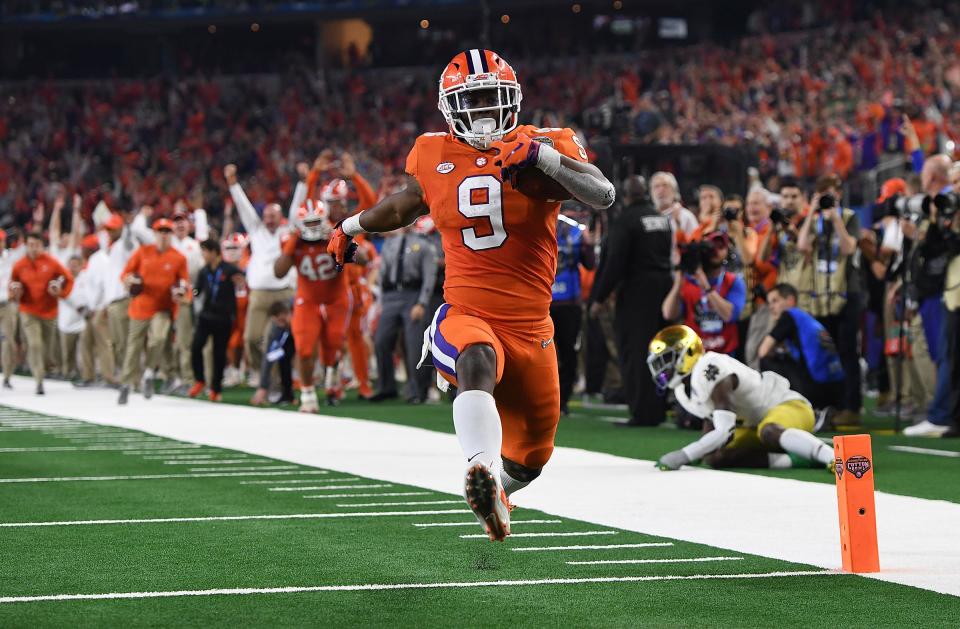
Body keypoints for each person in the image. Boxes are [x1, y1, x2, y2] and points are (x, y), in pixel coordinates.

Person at [327, 49, 615, 541]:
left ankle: (497, 492)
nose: (482, 109)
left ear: (512, 100)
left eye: (491, 97)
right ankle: (478, 467)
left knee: (533, 460)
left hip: (532, 326)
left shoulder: (545, 142)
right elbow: (407, 204)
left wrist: (545, 158)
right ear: (450, 106)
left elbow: (602, 193)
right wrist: (351, 224)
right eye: (472, 99)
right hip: (468, 310)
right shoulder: (434, 152)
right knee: (476, 357)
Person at [648, 324, 834, 470]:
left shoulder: (710, 366)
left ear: (687, 353)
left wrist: (685, 454)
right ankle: (794, 461)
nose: (662, 370)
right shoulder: (684, 391)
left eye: (666, 361)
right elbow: (713, 431)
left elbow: (724, 430)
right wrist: (700, 453)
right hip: (756, 424)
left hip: (790, 407)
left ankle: (833, 457)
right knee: (715, 457)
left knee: (768, 431)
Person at [589, 175, 672, 426]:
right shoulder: (660, 218)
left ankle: (642, 412)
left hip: (637, 293)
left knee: (636, 351)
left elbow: (615, 263)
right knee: (660, 350)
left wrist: (599, 297)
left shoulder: (626, 221)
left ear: (624, 195)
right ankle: (658, 408)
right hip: (664, 289)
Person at [274, 196, 352, 411]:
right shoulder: (293, 241)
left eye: (316, 222)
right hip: (307, 300)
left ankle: (332, 368)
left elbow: (363, 258)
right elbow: (279, 272)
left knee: (333, 344)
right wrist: (291, 245)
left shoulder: (336, 234)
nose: (313, 228)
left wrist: (344, 242)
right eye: (307, 223)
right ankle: (307, 393)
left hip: (335, 299)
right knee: (305, 349)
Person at [797, 174, 862, 425]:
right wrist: (812, 211)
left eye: (830, 193)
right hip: (820, 297)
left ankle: (851, 406)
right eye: (822, 193)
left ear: (840, 194)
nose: (827, 198)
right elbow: (802, 245)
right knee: (824, 352)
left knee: (847, 352)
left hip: (846, 293)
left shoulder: (849, 217)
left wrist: (834, 217)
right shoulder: (813, 221)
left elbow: (848, 248)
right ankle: (828, 404)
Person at [224, 164, 296, 386]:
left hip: (284, 292)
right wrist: (233, 183)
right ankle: (260, 372)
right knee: (252, 338)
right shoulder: (256, 231)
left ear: (280, 217)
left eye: (273, 215)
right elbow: (243, 207)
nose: (269, 219)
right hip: (259, 294)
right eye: (266, 215)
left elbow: (296, 209)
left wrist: (303, 183)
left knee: (289, 338)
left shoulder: (288, 231)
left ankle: (285, 376)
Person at [117, 218, 190, 405]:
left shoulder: (179, 258)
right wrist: (128, 281)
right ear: (155, 233)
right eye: (160, 231)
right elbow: (125, 273)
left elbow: (185, 284)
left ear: (171, 235)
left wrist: (183, 294)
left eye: (167, 232)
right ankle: (126, 384)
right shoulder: (142, 252)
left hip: (163, 308)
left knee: (158, 338)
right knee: (133, 346)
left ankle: (149, 373)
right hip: (140, 306)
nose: (164, 235)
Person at [371, 225, 438, 404]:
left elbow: (429, 275)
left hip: (413, 294)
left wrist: (422, 302)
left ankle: (418, 391)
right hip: (391, 295)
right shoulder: (390, 242)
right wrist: (383, 299)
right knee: (381, 340)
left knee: (415, 344)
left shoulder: (424, 243)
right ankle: (386, 387)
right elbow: (383, 273)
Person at [757, 283, 843, 411]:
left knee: (766, 361)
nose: (771, 307)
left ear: (790, 300)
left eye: (775, 301)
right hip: (835, 390)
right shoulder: (805, 318)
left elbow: (762, 351)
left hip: (815, 389)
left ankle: (787, 407)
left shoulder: (789, 315)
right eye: (769, 303)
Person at [9, 232, 74, 394]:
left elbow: (68, 279)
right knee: (35, 343)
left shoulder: (51, 263)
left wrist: (61, 292)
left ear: (42, 246)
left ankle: (42, 369)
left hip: (49, 311)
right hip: (28, 310)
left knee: (46, 347)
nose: (33, 249)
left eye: (36, 245)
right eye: (30, 245)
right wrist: (15, 293)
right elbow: (13, 282)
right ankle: (39, 379)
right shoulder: (20, 264)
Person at [662, 231, 747, 354]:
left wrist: (705, 286)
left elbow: (730, 315)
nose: (716, 251)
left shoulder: (733, 281)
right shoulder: (688, 282)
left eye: (721, 247)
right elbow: (668, 314)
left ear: (727, 252)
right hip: (695, 353)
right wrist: (678, 280)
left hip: (726, 355)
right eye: (712, 247)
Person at [188, 239, 243, 401]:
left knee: (219, 353)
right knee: (195, 347)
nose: (203, 256)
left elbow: (241, 282)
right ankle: (200, 379)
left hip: (223, 317)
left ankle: (216, 389)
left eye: (205, 252)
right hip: (206, 316)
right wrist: (191, 294)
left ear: (214, 252)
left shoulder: (230, 269)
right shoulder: (204, 271)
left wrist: (240, 282)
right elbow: (198, 290)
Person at [551, 213, 594, 415]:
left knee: (567, 352)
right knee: (559, 353)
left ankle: (561, 401)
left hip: (563, 300)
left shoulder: (578, 231)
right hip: (548, 300)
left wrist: (589, 244)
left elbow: (590, 263)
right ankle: (555, 401)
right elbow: (590, 263)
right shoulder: (577, 230)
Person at [165, 209, 205, 394]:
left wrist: (194, 293)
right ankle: (170, 377)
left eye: (183, 221)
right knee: (164, 340)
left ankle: (187, 378)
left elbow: (199, 275)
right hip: (165, 298)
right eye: (177, 221)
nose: (180, 225)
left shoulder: (194, 246)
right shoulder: (166, 245)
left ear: (190, 225)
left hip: (184, 298)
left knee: (184, 340)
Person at [250, 300, 296, 407]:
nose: (281, 324)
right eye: (277, 322)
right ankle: (287, 394)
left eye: (282, 320)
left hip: (300, 333)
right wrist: (262, 387)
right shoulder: (275, 329)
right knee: (283, 361)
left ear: (287, 313)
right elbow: (268, 359)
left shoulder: (297, 316)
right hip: (289, 338)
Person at [0, 228, 25, 388]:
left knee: (8, 340)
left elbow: (25, 247)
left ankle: (7, 376)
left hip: (7, 304)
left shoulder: (11, 257)